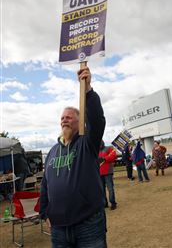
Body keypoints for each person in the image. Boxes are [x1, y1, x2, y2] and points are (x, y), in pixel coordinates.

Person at [40, 66, 107, 248]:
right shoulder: (53, 151)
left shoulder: (87, 143)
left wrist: (88, 91)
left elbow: (97, 120)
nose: (64, 120)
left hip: (89, 225)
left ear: (80, 122)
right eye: (62, 118)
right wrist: (44, 212)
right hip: (59, 229)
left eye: (69, 117)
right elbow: (45, 184)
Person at [99, 141, 118, 210]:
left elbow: (114, 156)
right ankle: (105, 203)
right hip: (99, 173)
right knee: (102, 190)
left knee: (110, 188)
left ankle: (113, 203)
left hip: (108, 172)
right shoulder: (96, 151)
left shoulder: (109, 148)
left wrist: (105, 158)